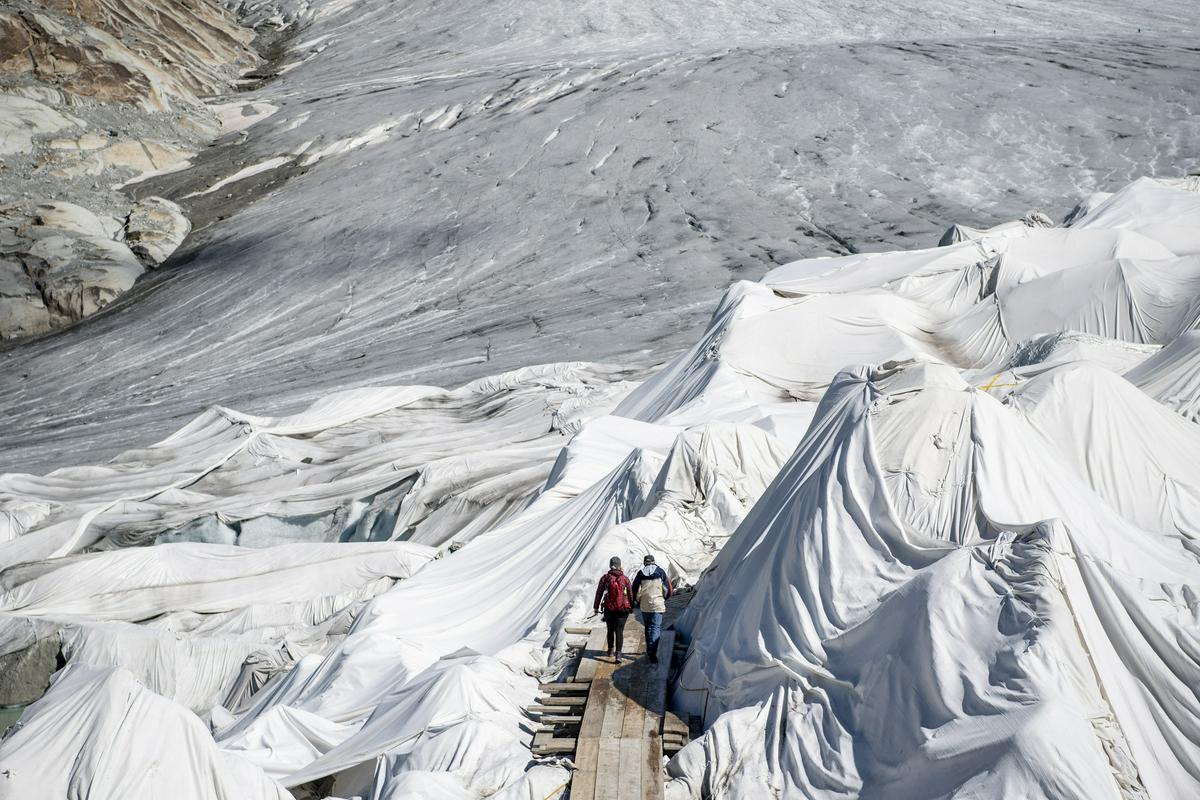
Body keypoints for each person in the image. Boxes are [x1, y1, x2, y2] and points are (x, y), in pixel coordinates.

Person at [631, 554, 673, 663]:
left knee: (648, 627)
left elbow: (634, 589)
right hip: (658, 604)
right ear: (653, 561)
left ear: (645, 562)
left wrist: (636, 601)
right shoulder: (660, 572)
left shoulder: (640, 573)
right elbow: (668, 589)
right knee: (655, 627)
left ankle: (650, 649)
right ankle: (652, 652)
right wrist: (664, 598)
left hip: (645, 605)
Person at [593, 556, 633, 663]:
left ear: (610, 566)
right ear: (620, 566)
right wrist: (631, 606)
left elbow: (599, 593)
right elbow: (630, 593)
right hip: (623, 609)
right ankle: (618, 655)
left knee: (610, 630)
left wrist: (596, 607)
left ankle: (610, 650)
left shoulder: (605, 578)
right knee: (619, 631)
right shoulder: (624, 578)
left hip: (609, 608)